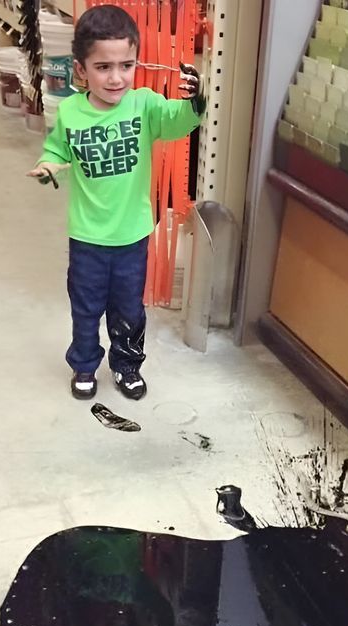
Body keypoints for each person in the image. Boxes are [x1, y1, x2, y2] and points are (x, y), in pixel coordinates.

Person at [27, 4, 206, 401]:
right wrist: (48, 166)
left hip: (132, 237)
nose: (116, 77)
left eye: (126, 65)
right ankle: (84, 365)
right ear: (81, 70)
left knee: (128, 310)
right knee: (85, 308)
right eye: (103, 67)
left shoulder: (145, 106)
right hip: (87, 238)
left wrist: (196, 100)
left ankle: (126, 366)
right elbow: (57, 150)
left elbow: (181, 119)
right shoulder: (70, 112)